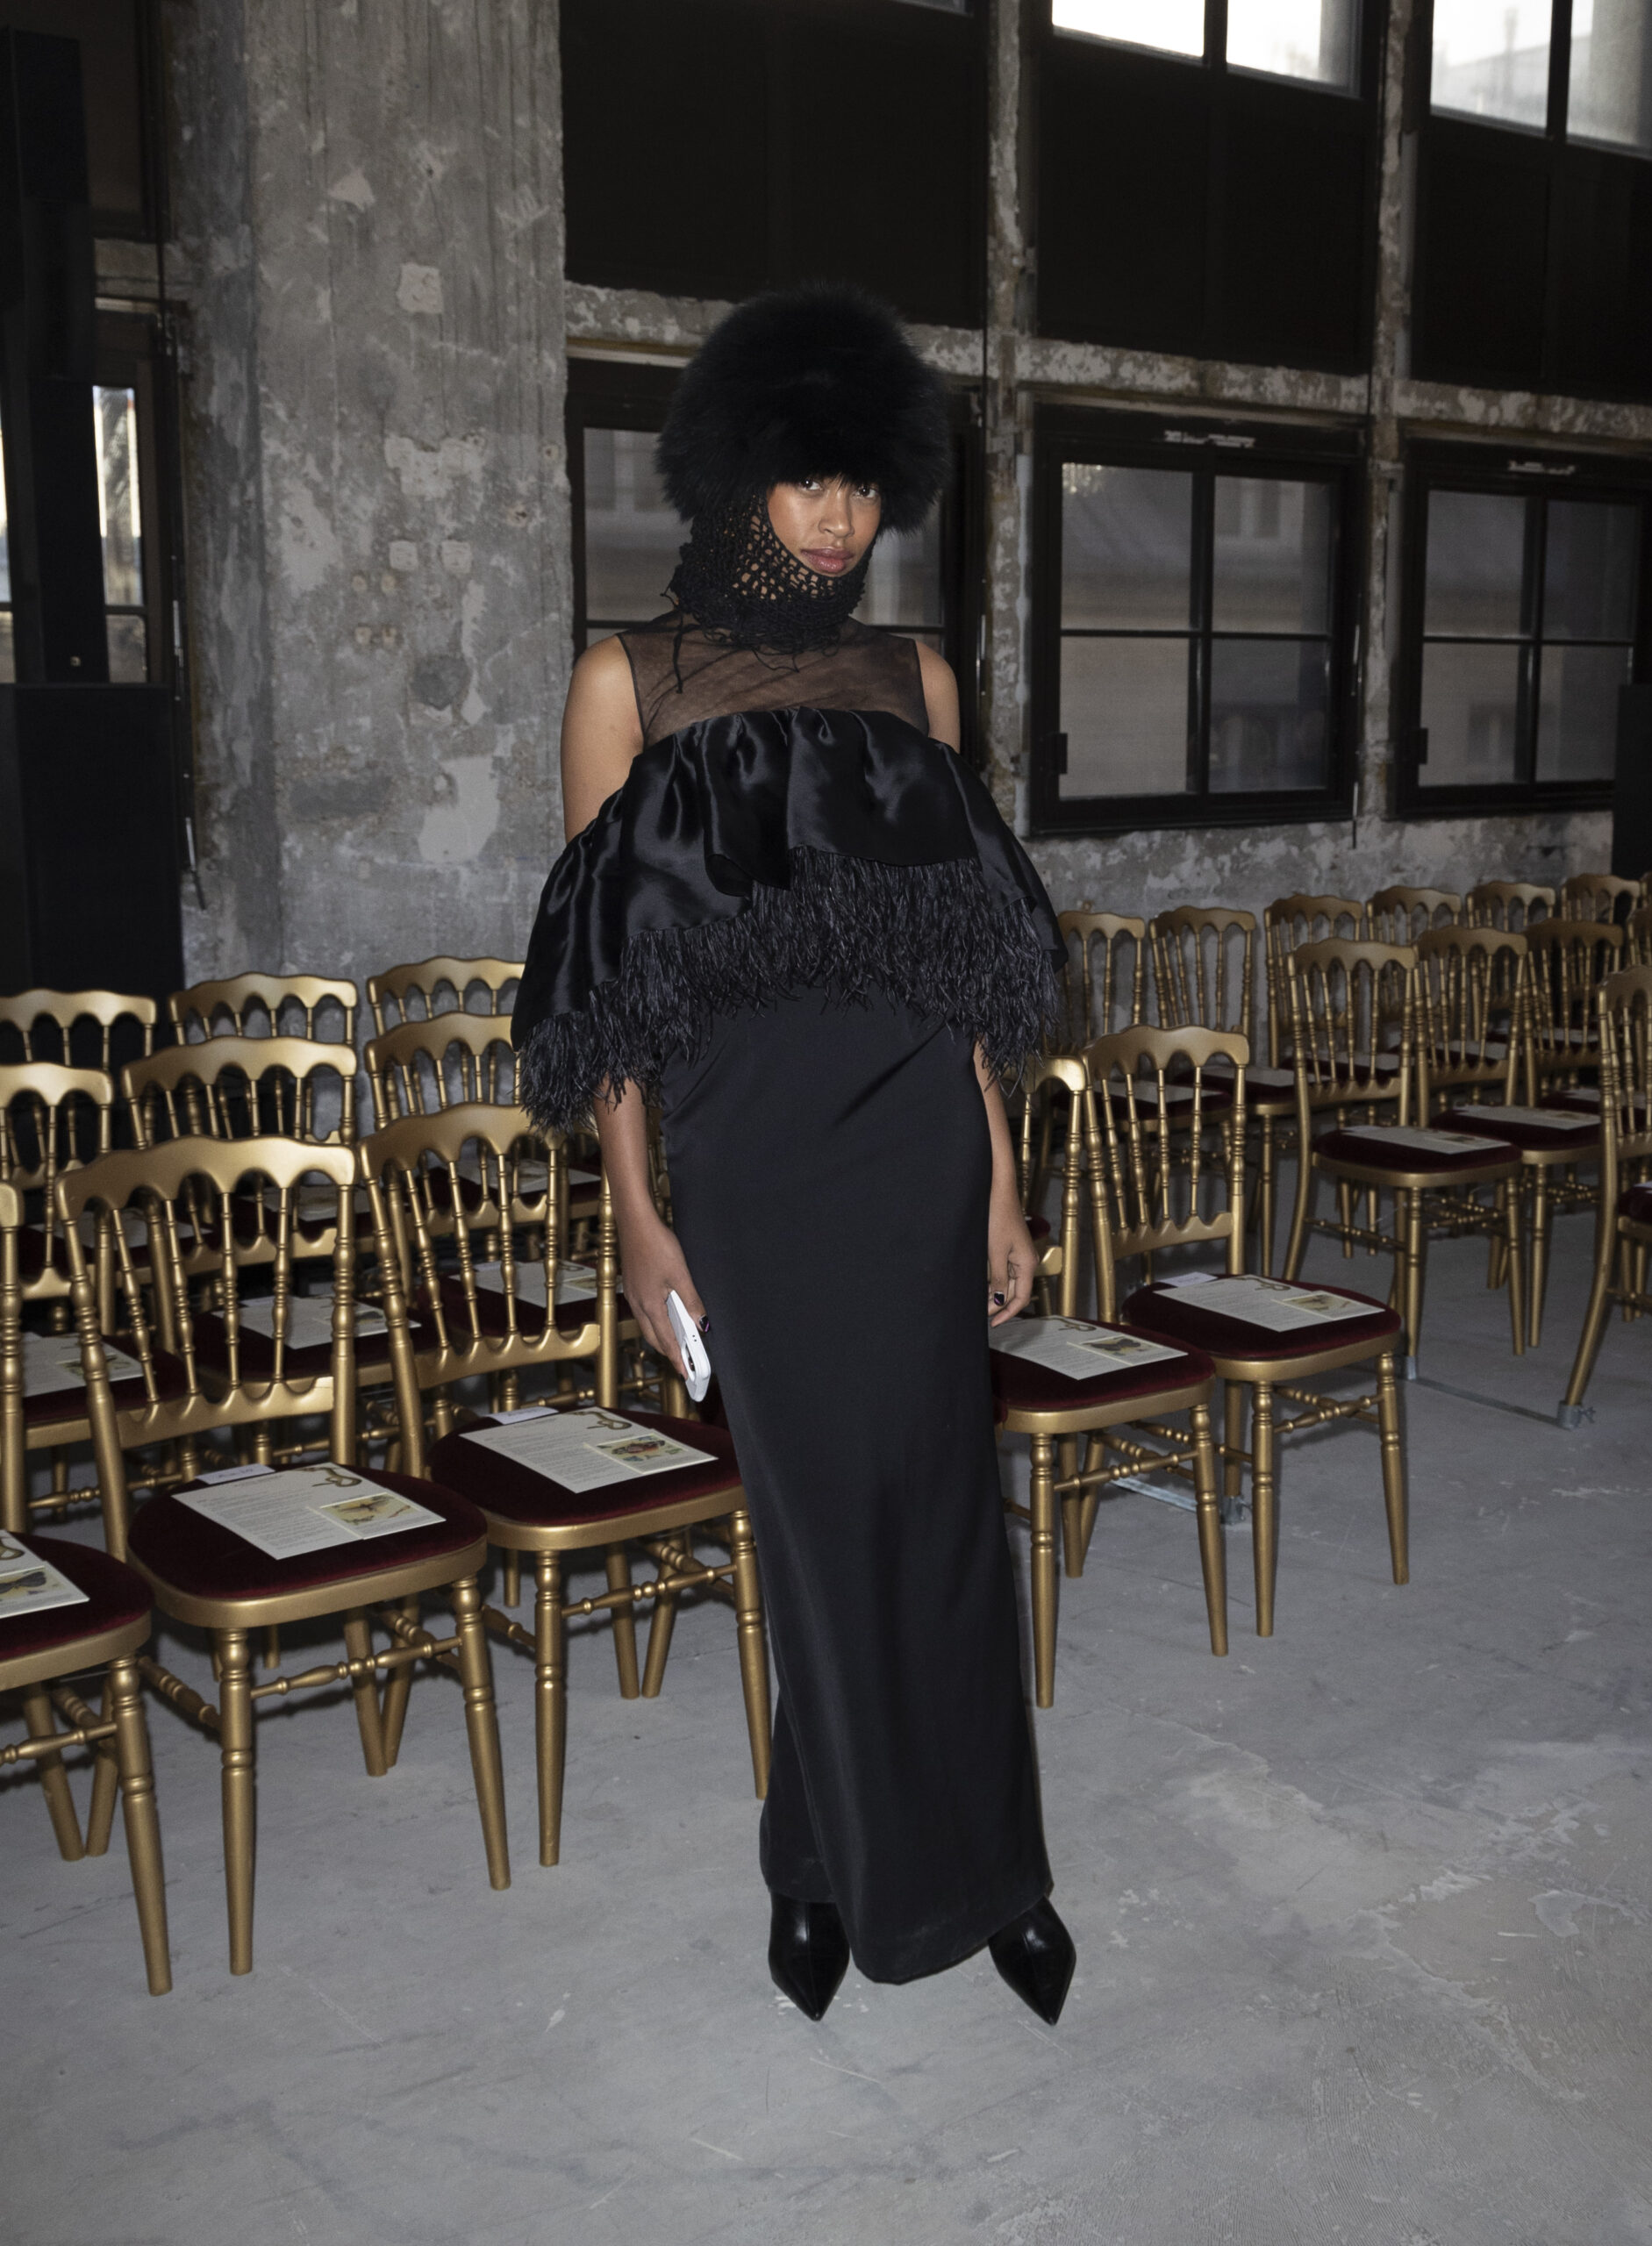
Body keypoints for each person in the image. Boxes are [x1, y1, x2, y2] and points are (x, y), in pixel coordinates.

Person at [512, 284, 1075, 2025]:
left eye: (861, 484)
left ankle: (964, 1872)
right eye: (807, 480)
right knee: (820, 1516)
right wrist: (636, 1208)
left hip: (914, 1135)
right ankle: (856, 1873)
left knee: (940, 1513)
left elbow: (961, 963)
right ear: (736, 474)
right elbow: (605, 987)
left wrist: (999, 1174)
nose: (839, 518)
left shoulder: (917, 680)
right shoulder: (625, 684)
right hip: (748, 1159)